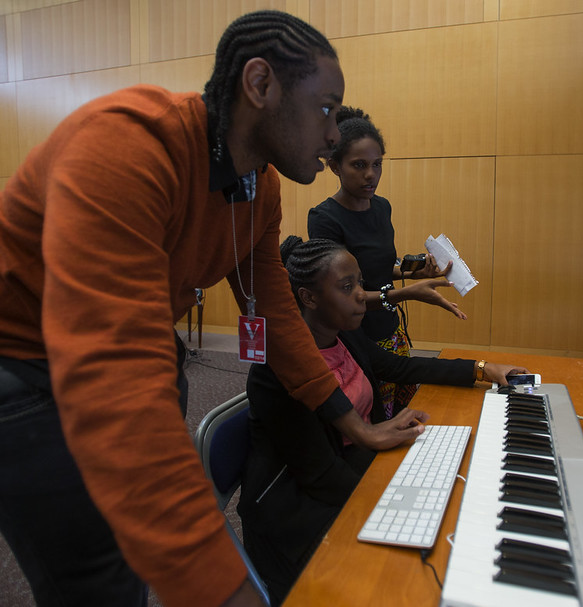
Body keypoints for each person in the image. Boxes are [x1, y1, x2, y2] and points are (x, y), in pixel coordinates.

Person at [0, 11, 419, 607]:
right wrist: (225, 591)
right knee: (96, 574)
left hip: (138, 347)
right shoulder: (126, 145)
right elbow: (115, 383)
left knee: (133, 554)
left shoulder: (259, 186)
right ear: (260, 84)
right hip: (22, 366)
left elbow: (274, 314)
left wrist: (355, 425)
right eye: (326, 109)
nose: (334, 135)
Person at [238, 236, 528, 603]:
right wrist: (410, 498)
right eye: (348, 287)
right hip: (299, 518)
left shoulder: (344, 336)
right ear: (308, 298)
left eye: (360, 283)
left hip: (352, 470)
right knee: (420, 567)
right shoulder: (276, 372)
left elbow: (399, 367)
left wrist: (481, 369)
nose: (362, 295)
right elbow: (321, 477)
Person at [308, 107, 467, 418]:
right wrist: (406, 293)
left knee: (404, 415)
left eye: (377, 164)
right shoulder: (325, 218)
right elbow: (341, 295)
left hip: (391, 331)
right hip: (357, 337)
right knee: (374, 419)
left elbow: (374, 269)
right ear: (335, 166)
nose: (371, 174)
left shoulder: (381, 208)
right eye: (359, 165)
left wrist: (410, 273)